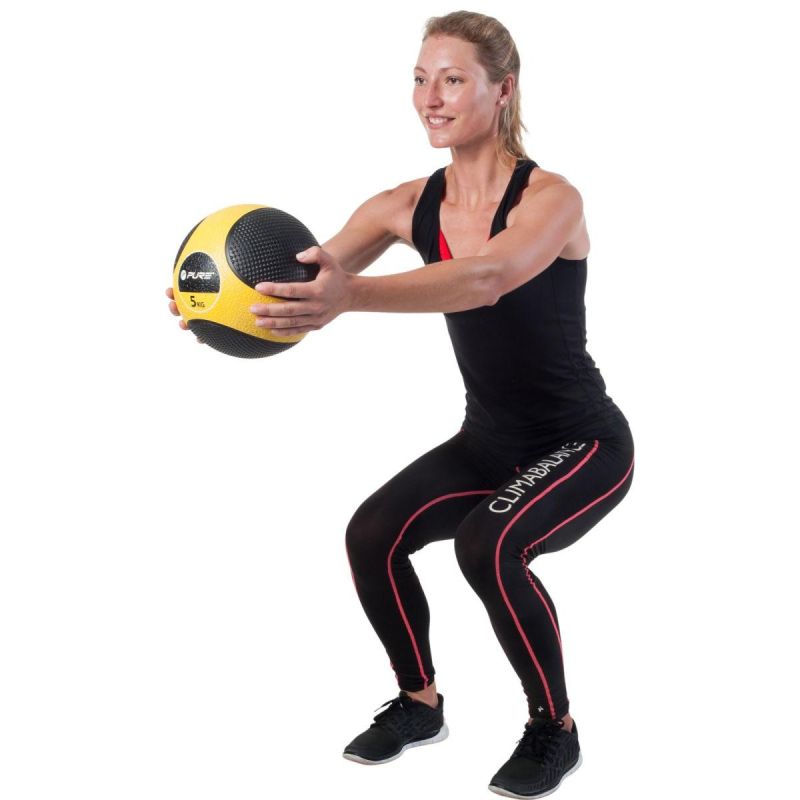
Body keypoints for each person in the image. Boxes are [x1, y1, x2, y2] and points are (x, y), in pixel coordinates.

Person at [166, 10, 634, 799]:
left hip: (583, 445)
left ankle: (554, 728)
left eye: (452, 79)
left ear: (502, 90)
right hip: (489, 441)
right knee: (371, 534)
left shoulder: (553, 199)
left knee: (487, 545)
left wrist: (351, 296)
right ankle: (420, 704)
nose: (430, 97)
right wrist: (216, 302)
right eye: (420, 79)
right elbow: (306, 285)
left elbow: (486, 278)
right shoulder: (402, 204)